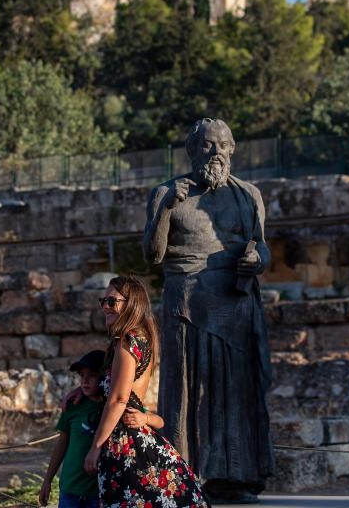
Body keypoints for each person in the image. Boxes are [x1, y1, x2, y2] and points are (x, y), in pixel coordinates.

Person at [143, 118, 274, 503]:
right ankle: (183, 475)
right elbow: (153, 254)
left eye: (222, 145)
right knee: (187, 390)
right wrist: (166, 209)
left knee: (234, 391)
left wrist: (257, 259)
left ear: (232, 150)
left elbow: (262, 245)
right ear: (192, 149)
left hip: (234, 304)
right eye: (206, 145)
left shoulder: (249, 194)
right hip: (186, 303)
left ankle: (234, 477)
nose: (215, 152)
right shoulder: (166, 192)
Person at [82, 274, 209, 508]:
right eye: (104, 301)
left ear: (131, 304)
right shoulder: (140, 338)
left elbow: (119, 398)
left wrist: (95, 448)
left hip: (124, 446)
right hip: (133, 440)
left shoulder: (128, 341)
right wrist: (79, 392)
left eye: (112, 302)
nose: (105, 307)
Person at [38, 350, 105, 508]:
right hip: (70, 489)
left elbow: (157, 422)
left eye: (92, 375)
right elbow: (61, 444)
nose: (85, 381)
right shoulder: (73, 406)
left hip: (99, 492)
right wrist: (47, 480)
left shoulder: (113, 407)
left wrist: (147, 418)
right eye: (82, 375)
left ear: (104, 376)